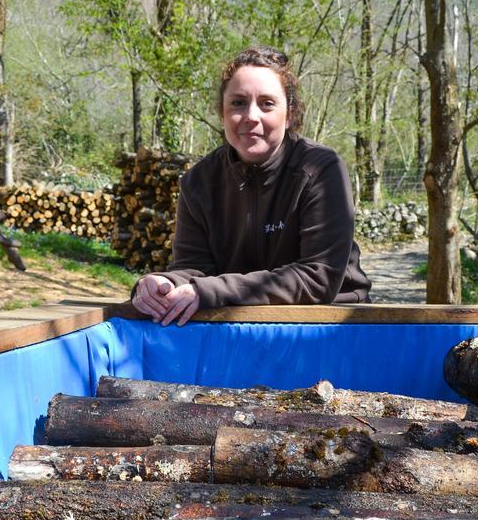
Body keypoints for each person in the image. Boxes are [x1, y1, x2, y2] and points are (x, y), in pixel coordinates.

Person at [132, 47, 371, 326]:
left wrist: (208, 290)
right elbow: (193, 269)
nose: (251, 116)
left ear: (289, 114)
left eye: (267, 103)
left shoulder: (320, 169)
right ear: (222, 113)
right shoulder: (199, 181)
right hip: (235, 323)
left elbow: (319, 277)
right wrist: (162, 284)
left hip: (331, 324)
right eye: (238, 103)